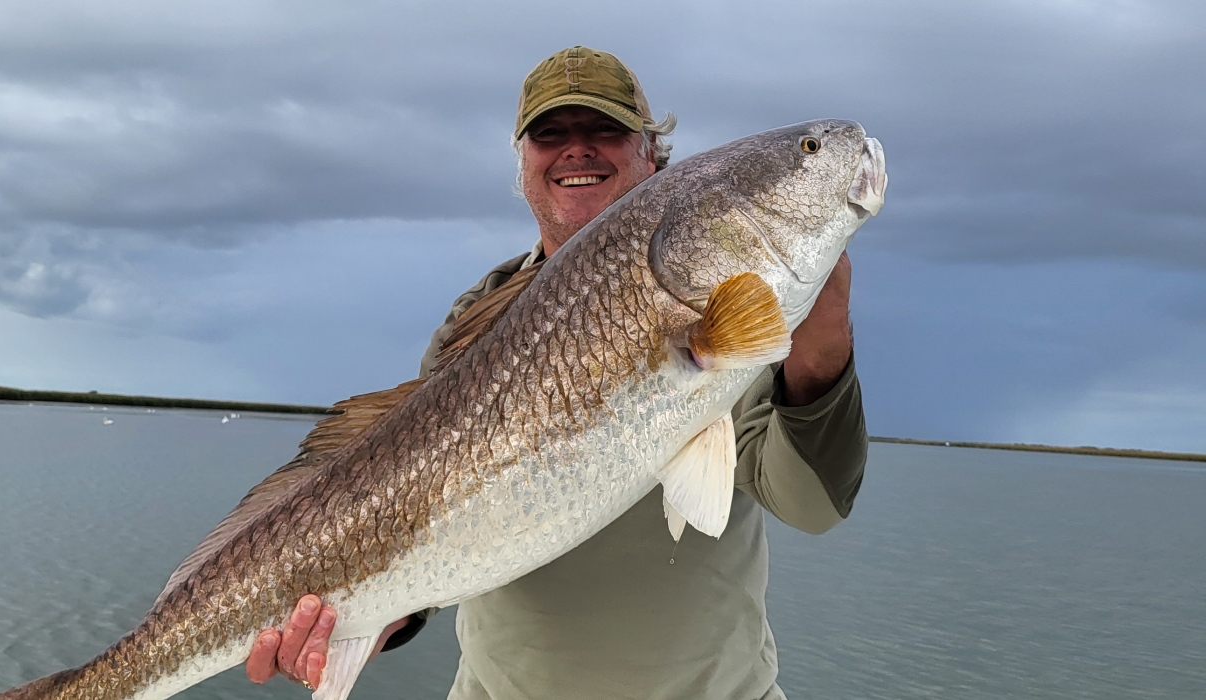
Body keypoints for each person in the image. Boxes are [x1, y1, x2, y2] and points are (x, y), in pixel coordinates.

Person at [246, 46, 867, 699]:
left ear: (651, 153)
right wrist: (364, 624)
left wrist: (823, 348)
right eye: (550, 134)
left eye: (605, 129)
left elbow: (814, 507)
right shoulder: (473, 323)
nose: (577, 150)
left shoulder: (729, 305)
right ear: (523, 163)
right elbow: (418, 517)